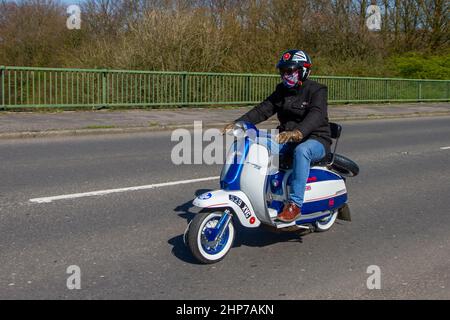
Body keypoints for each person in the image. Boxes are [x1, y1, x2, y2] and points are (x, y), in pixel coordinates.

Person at [222, 49, 332, 223]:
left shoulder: (317, 90)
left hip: (315, 139)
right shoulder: (282, 91)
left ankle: (294, 204)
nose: (285, 75)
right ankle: (259, 191)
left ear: (303, 71)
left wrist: (298, 132)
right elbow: (263, 109)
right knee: (256, 142)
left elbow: (316, 115)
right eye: (283, 71)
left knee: (302, 151)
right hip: (286, 138)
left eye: (290, 71)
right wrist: (239, 123)